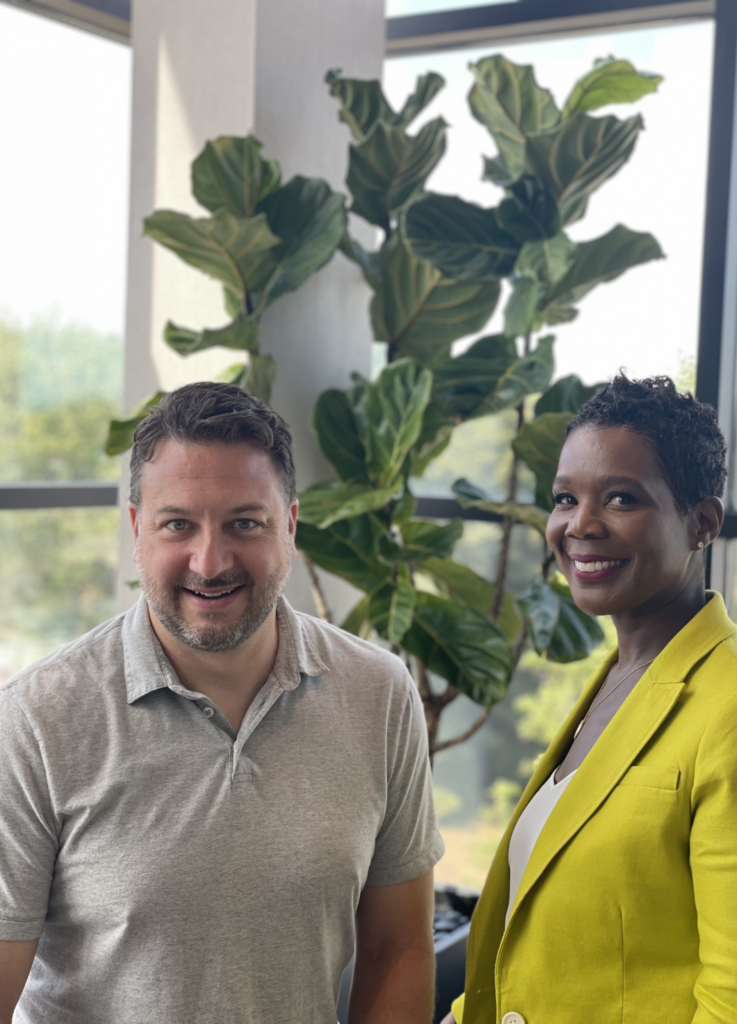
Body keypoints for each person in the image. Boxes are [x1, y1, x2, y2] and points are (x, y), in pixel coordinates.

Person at [0, 382, 444, 1024]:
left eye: (245, 523)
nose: (210, 562)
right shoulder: (37, 718)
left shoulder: (378, 693)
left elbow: (398, 947)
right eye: (178, 524)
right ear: (136, 530)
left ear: (288, 527)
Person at [445, 376, 737, 1024]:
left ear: (702, 523)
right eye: (566, 498)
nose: (580, 525)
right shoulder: (616, 681)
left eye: (621, 498)